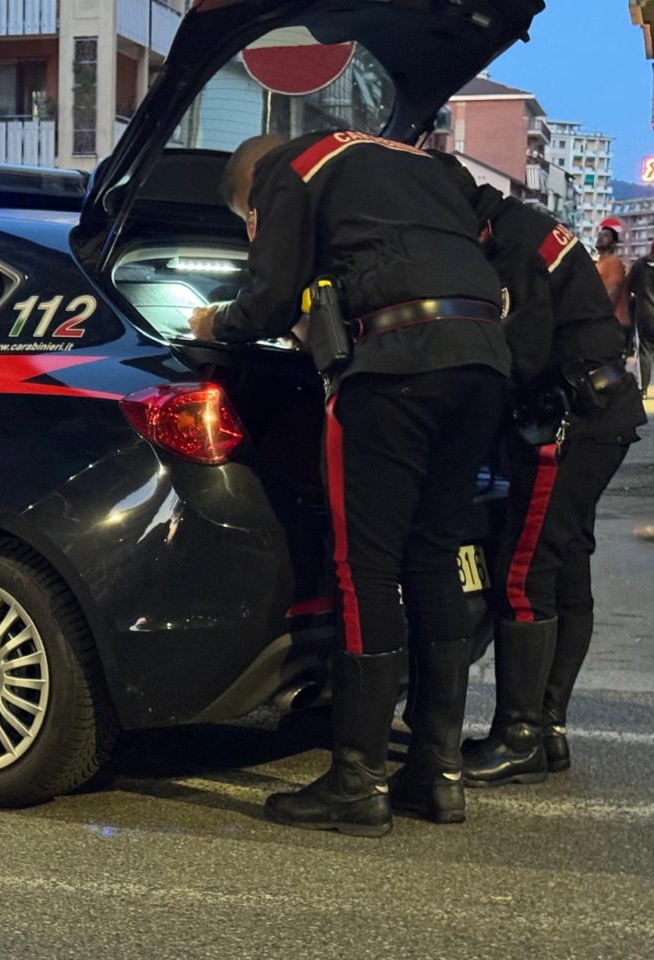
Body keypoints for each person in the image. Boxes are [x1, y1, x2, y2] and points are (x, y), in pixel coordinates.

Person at [189, 132, 510, 836]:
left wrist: (216, 320)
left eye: (248, 218)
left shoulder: (290, 167)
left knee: (365, 566)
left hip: (396, 368)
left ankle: (358, 782)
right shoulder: (413, 164)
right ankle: (437, 773)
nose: (253, 226)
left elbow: (270, 299)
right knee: (434, 557)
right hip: (483, 358)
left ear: (251, 188)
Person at [431, 155, 646, 785]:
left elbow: (517, 355)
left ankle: (519, 735)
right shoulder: (523, 226)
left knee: (523, 573)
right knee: (564, 561)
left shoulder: (512, 249)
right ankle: (547, 731)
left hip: (564, 419)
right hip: (600, 410)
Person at [595, 217, 633, 354]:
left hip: (613, 323)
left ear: (614, 243)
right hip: (605, 323)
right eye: (600, 234)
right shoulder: (600, 263)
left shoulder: (613, 262)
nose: (600, 237)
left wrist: (598, 320)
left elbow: (612, 294)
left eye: (606, 236)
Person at [627, 242, 654, 398]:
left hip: (645, 315)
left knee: (645, 350)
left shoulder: (640, 264)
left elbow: (629, 285)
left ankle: (643, 388)